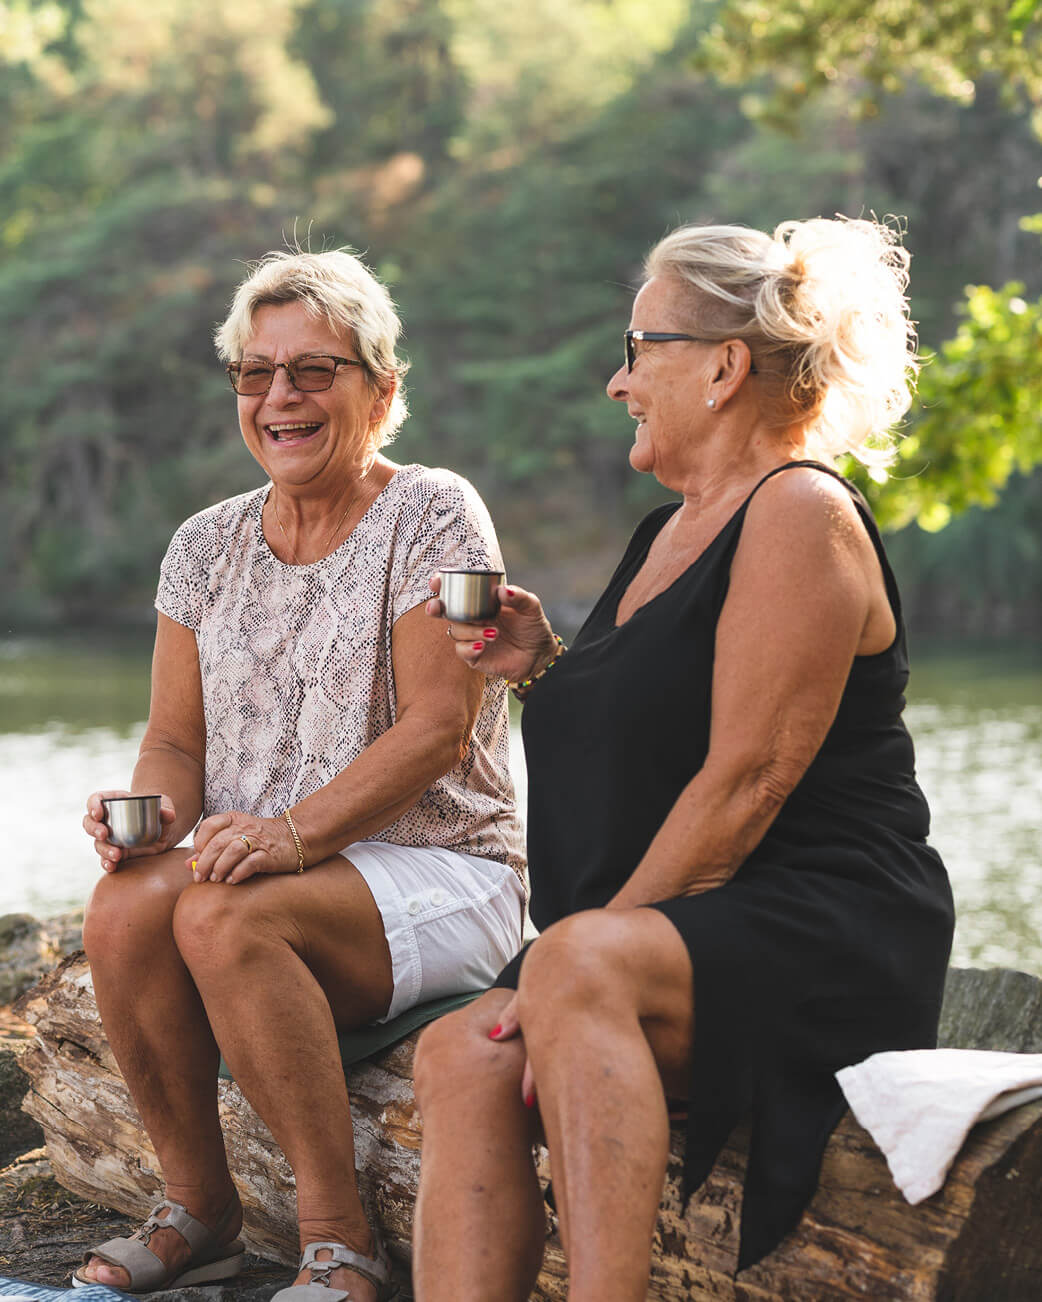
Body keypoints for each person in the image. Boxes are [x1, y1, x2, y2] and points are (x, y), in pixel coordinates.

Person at [413, 217, 955, 1302]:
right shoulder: (666, 531)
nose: (618, 384)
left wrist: (583, 953)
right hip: (686, 924)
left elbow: (748, 779)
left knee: (568, 968)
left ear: (722, 368)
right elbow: (652, 733)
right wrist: (539, 670)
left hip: (822, 919)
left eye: (635, 348)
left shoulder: (799, 510)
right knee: (456, 1055)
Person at [75, 248, 526, 1299]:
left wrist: (289, 836)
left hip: (444, 867)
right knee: (124, 906)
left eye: (315, 371)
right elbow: (175, 743)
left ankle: (339, 1241)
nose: (280, 396)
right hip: (278, 875)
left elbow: (438, 730)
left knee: (224, 919)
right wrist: (153, 819)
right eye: (255, 372)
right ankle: (201, 1209)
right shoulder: (202, 545)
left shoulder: (440, 513)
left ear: (383, 388)